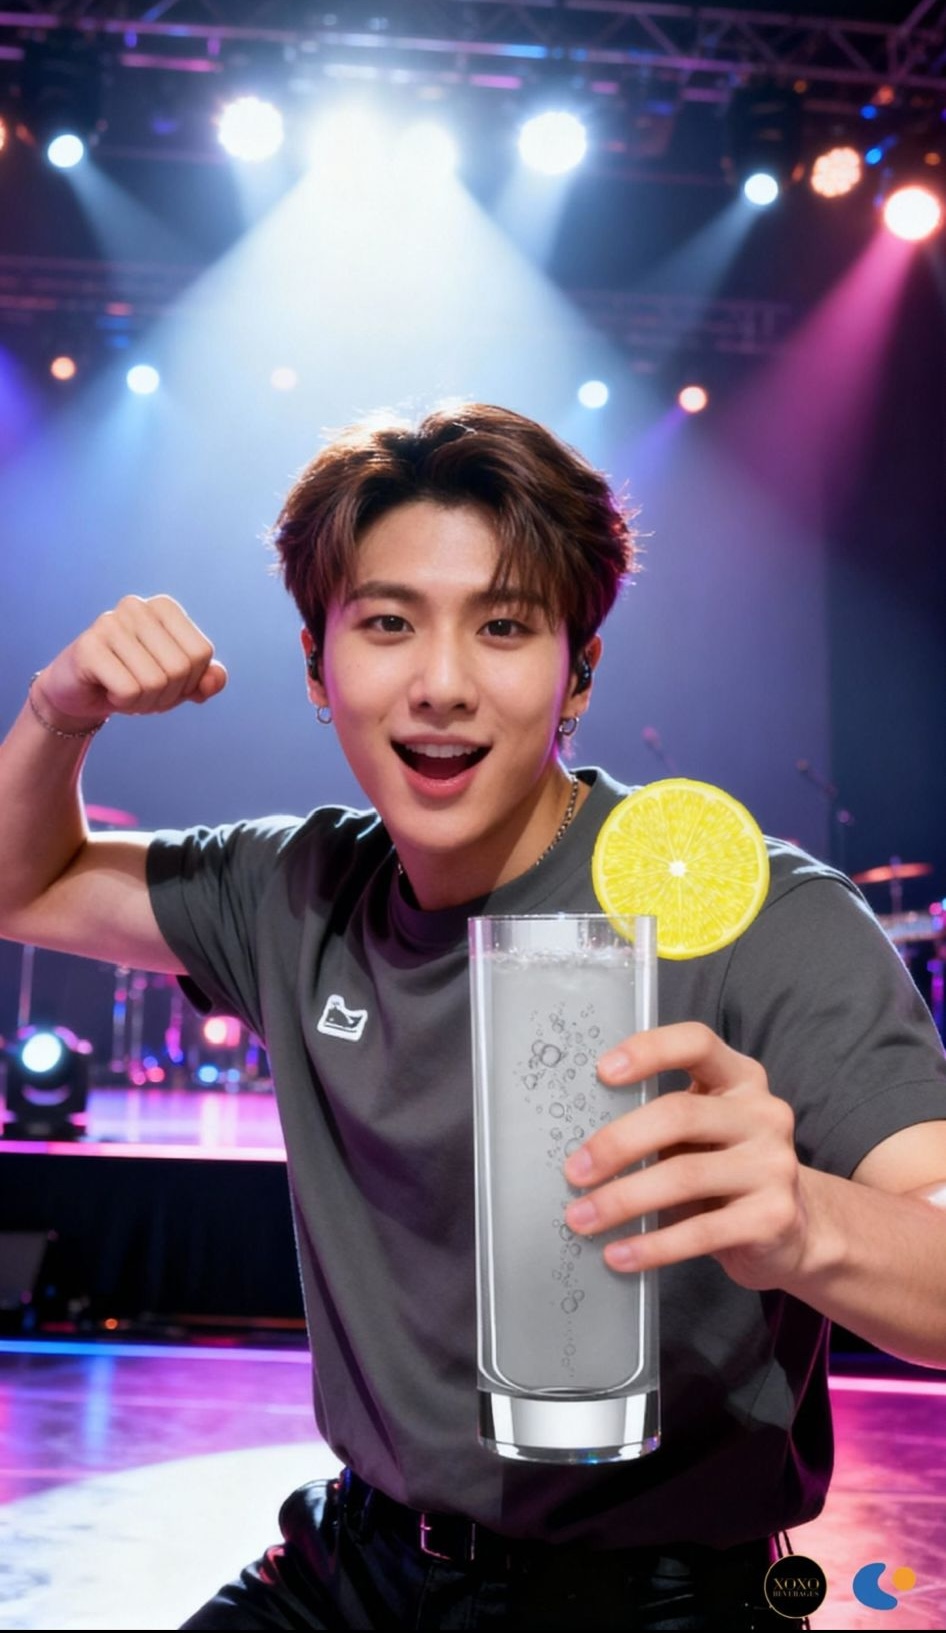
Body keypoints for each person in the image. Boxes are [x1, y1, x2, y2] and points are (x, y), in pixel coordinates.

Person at [1, 402, 945, 1632]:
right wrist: (59, 709)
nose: (440, 685)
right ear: (316, 665)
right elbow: (24, 885)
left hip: (657, 1600)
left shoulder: (738, 905)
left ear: (578, 671)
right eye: (388, 623)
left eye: (502, 626)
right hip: (353, 1566)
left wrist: (805, 1220)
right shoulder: (297, 888)